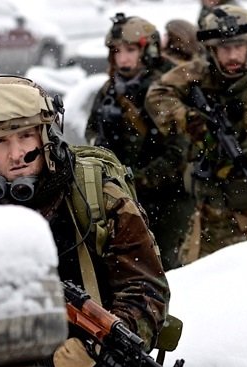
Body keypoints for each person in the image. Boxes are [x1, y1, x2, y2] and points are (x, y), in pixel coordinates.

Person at [0, 76, 170, 367]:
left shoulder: (98, 195)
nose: (16, 153)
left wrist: (98, 345)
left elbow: (146, 289)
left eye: (25, 136)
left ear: (45, 138)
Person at [145, 4, 247, 259]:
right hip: (209, 217)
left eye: (239, 46)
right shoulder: (201, 73)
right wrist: (194, 124)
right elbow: (157, 94)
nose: (233, 56)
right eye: (225, 48)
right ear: (212, 50)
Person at [85, 13, 195, 270]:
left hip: (168, 201)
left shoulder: (168, 87)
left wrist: (138, 179)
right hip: (124, 199)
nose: (123, 58)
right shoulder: (111, 90)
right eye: (117, 51)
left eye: (130, 50)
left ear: (148, 50)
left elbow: (180, 150)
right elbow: (93, 133)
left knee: (169, 267)